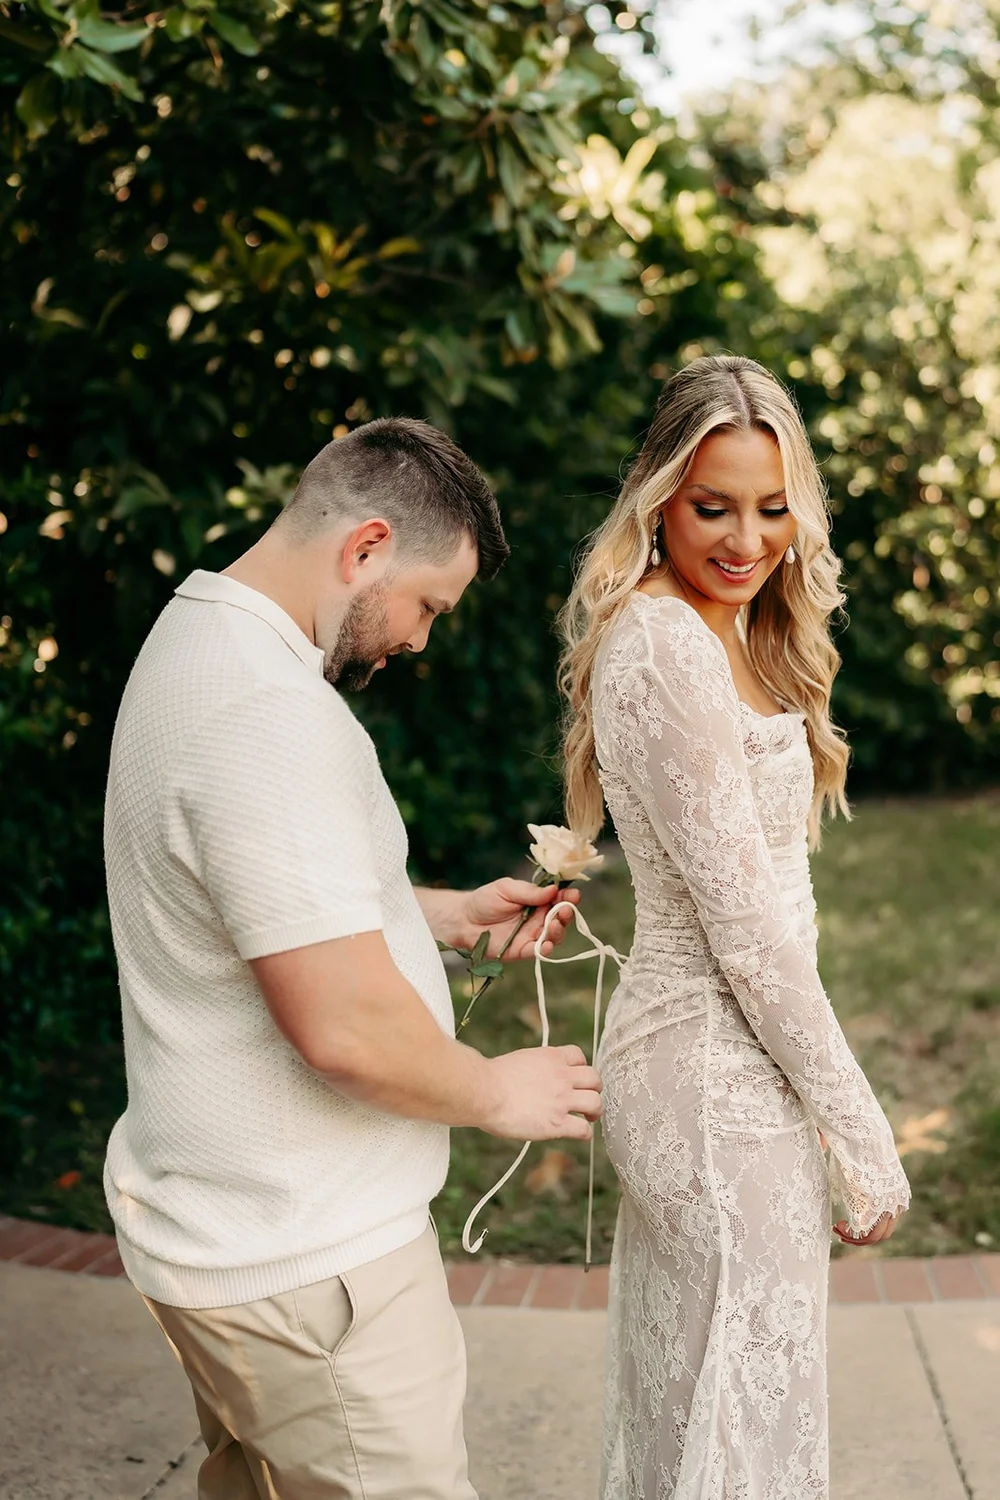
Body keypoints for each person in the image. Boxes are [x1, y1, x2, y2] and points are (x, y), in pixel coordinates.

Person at [103, 416, 601, 1500]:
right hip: (310, 1266)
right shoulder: (271, 715)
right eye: (428, 605)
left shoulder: (197, 638)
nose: (419, 640)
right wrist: (495, 1091)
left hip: (228, 1239)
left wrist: (434, 914)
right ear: (366, 546)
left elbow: (240, 899)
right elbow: (342, 1026)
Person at [558, 355, 910, 1499]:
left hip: (727, 1059)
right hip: (708, 1071)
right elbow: (748, 931)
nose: (747, 540)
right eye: (713, 506)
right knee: (739, 1423)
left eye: (771, 509)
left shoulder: (732, 631)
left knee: (710, 1399)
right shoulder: (663, 644)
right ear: (658, 497)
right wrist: (857, 1124)